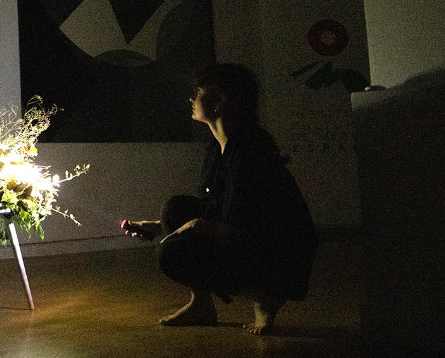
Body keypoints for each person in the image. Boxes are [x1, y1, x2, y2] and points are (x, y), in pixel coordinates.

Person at [122, 63, 317, 335]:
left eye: (198, 92)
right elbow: (216, 209)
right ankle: (201, 305)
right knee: (174, 209)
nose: (191, 99)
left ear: (219, 103)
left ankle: (265, 295)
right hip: (246, 237)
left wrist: (191, 227)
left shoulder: (250, 154)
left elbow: (246, 230)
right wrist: (159, 226)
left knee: (172, 253)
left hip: (278, 256)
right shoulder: (218, 147)